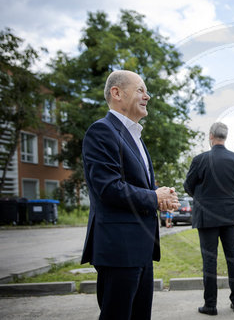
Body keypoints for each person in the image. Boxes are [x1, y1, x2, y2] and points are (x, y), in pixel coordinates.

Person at [81, 70, 180, 320]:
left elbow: (135, 185)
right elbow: (108, 188)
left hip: (141, 248)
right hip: (119, 249)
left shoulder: (136, 136)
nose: (148, 95)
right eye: (140, 90)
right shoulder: (101, 131)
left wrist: (162, 196)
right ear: (117, 93)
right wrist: (154, 197)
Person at [183, 122, 234, 316]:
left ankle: (210, 305)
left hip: (207, 216)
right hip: (231, 215)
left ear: (211, 136)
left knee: (209, 261)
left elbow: (188, 186)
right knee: (233, 258)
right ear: (225, 137)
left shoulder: (200, 160)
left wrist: (203, 194)